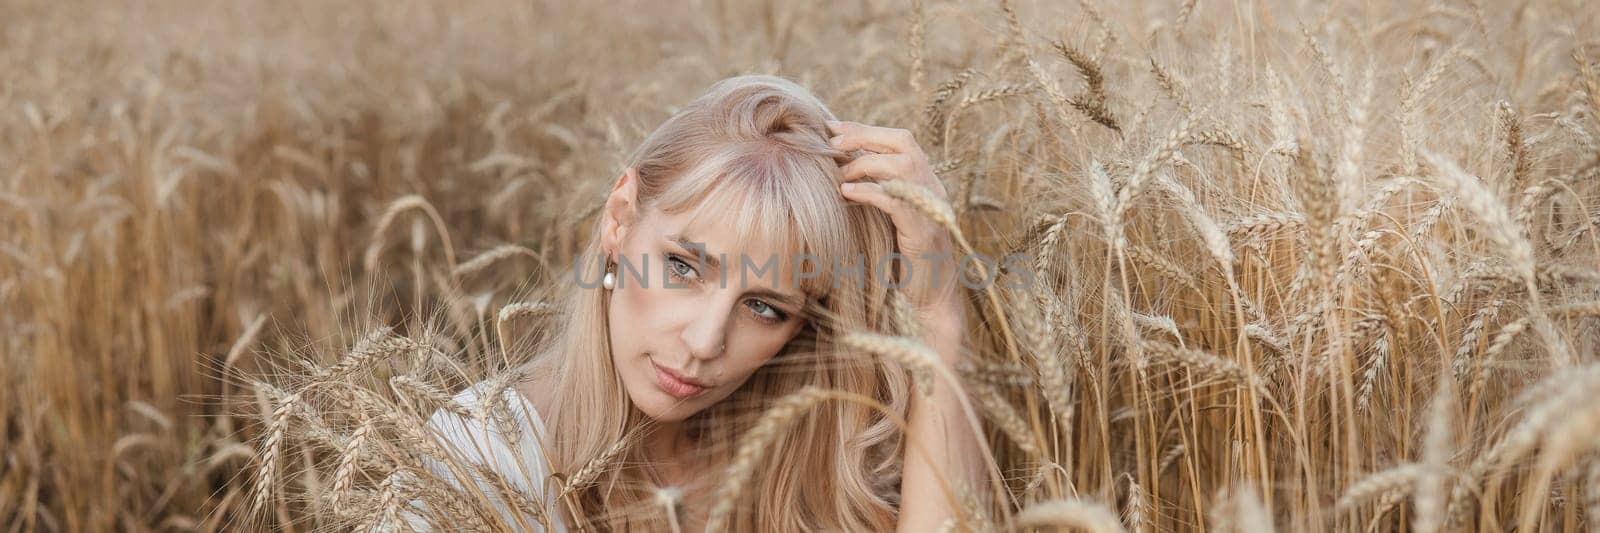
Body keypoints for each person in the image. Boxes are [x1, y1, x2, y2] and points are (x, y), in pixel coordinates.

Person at [419, 74, 985, 531]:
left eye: (765, 307)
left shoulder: (806, 456)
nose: (704, 343)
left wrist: (938, 313)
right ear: (619, 221)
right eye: (683, 267)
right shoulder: (483, 457)